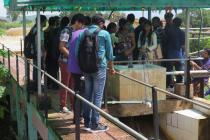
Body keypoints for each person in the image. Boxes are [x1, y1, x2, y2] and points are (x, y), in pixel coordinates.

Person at [76, 14, 115, 132]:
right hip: (99, 67)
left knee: (87, 94)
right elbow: (109, 54)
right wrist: (112, 68)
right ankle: (95, 124)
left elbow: (77, 51)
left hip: (86, 68)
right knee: (98, 96)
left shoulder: (83, 33)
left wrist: (82, 65)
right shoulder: (104, 33)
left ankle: (87, 122)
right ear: (101, 23)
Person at [67, 13, 85, 122]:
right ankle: (80, 116)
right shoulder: (84, 33)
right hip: (83, 68)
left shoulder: (72, 34)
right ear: (80, 22)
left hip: (73, 68)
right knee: (83, 93)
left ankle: (77, 116)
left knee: (77, 91)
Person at [58, 16, 73, 113]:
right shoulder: (66, 31)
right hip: (65, 61)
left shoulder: (75, 32)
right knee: (65, 83)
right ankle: (63, 105)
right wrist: (72, 57)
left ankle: (73, 105)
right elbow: (61, 47)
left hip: (72, 62)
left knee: (73, 84)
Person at [165, 17, 185, 87]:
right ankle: (179, 87)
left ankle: (169, 87)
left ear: (173, 22)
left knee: (169, 71)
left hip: (170, 53)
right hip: (179, 54)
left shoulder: (168, 31)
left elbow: (165, 42)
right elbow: (183, 46)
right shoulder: (182, 32)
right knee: (179, 71)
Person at [31, 15, 47, 88]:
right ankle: (37, 86)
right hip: (39, 54)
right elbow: (42, 44)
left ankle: (35, 85)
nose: (46, 23)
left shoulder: (33, 29)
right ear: (42, 22)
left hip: (34, 52)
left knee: (35, 69)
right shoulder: (40, 31)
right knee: (40, 69)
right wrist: (44, 53)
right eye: (45, 21)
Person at [44, 16, 59, 89]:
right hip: (54, 53)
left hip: (47, 53)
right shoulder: (55, 31)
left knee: (48, 69)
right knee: (54, 70)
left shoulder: (45, 30)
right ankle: (55, 85)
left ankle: (48, 84)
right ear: (55, 22)